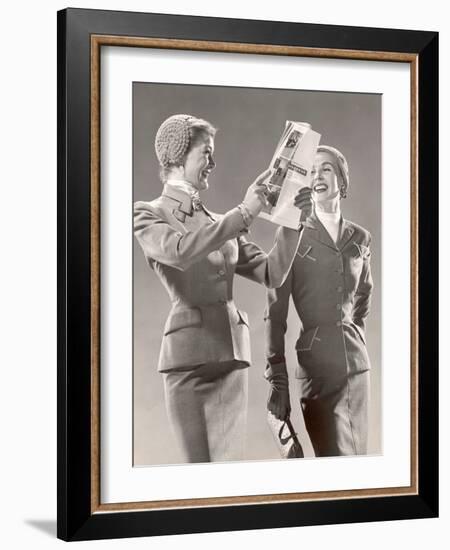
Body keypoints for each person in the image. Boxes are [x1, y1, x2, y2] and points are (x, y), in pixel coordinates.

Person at [134, 114, 313, 463]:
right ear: (177, 155)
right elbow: (180, 253)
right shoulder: (147, 214)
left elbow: (271, 273)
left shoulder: (221, 221)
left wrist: (293, 219)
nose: (213, 163)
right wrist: (245, 212)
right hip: (186, 364)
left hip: (231, 358)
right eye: (206, 153)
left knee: (228, 473)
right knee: (198, 474)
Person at [264, 145, 373, 457]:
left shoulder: (361, 238)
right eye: (311, 171)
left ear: (341, 178)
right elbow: (275, 313)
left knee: (359, 466)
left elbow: (364, 294)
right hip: (317, 371)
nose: (317, 175)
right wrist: (277, 380)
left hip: (357, 370)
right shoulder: (293, 234)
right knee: (333, 464)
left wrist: (355, 338)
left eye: (326, 168)